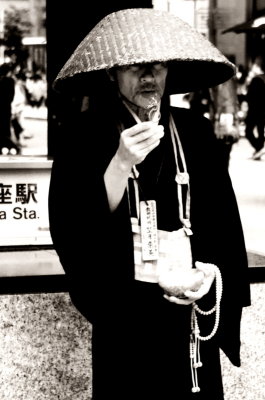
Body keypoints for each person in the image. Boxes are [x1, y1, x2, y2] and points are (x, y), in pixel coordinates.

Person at [49, 9, 250, 400]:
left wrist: (211, 275)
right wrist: (120, 163)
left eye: (157, 66)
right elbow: (72, 225)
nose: (148, 77)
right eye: (135, 67)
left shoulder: (194, 130)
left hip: (190, 303)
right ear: (111, 74)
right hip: (125, 308)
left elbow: (223, 221)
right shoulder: (84, 136)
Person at [245, 60, 265, 160]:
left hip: (254, 109)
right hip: (263, 109)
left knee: (248, 131)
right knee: (260, 130)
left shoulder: (256, 80)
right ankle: (259, 149)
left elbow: (250, 96)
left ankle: (259, 148)